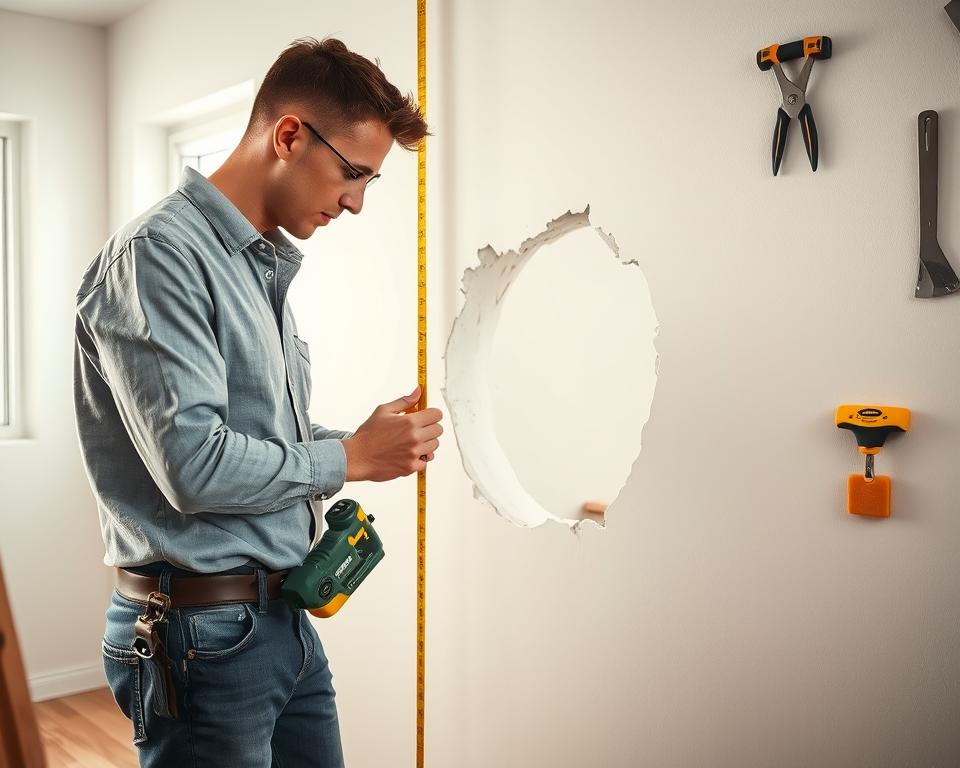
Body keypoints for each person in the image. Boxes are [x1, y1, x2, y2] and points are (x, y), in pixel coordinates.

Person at [72, 37, 443, 768]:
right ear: (289, 135)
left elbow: (263, 435)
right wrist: (348, 459)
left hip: (282, 620)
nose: (357, 203)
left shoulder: (256, 267)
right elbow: (194, 466)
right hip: (198, 635)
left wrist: (361, 441)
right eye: (354, 174)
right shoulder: (160, 256)